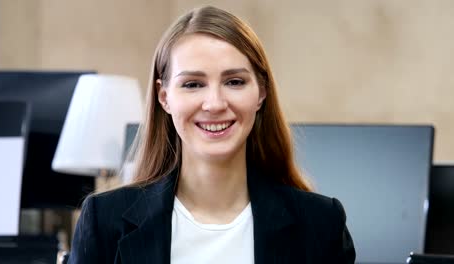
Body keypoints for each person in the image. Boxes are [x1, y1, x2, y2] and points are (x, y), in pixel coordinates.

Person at [68, 5, 356, 264]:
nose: (215, 103)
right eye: (193, 84)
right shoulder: (103, 221)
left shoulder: (321, 223)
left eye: (234, 81)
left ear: (261, 92)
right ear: (164, 97)